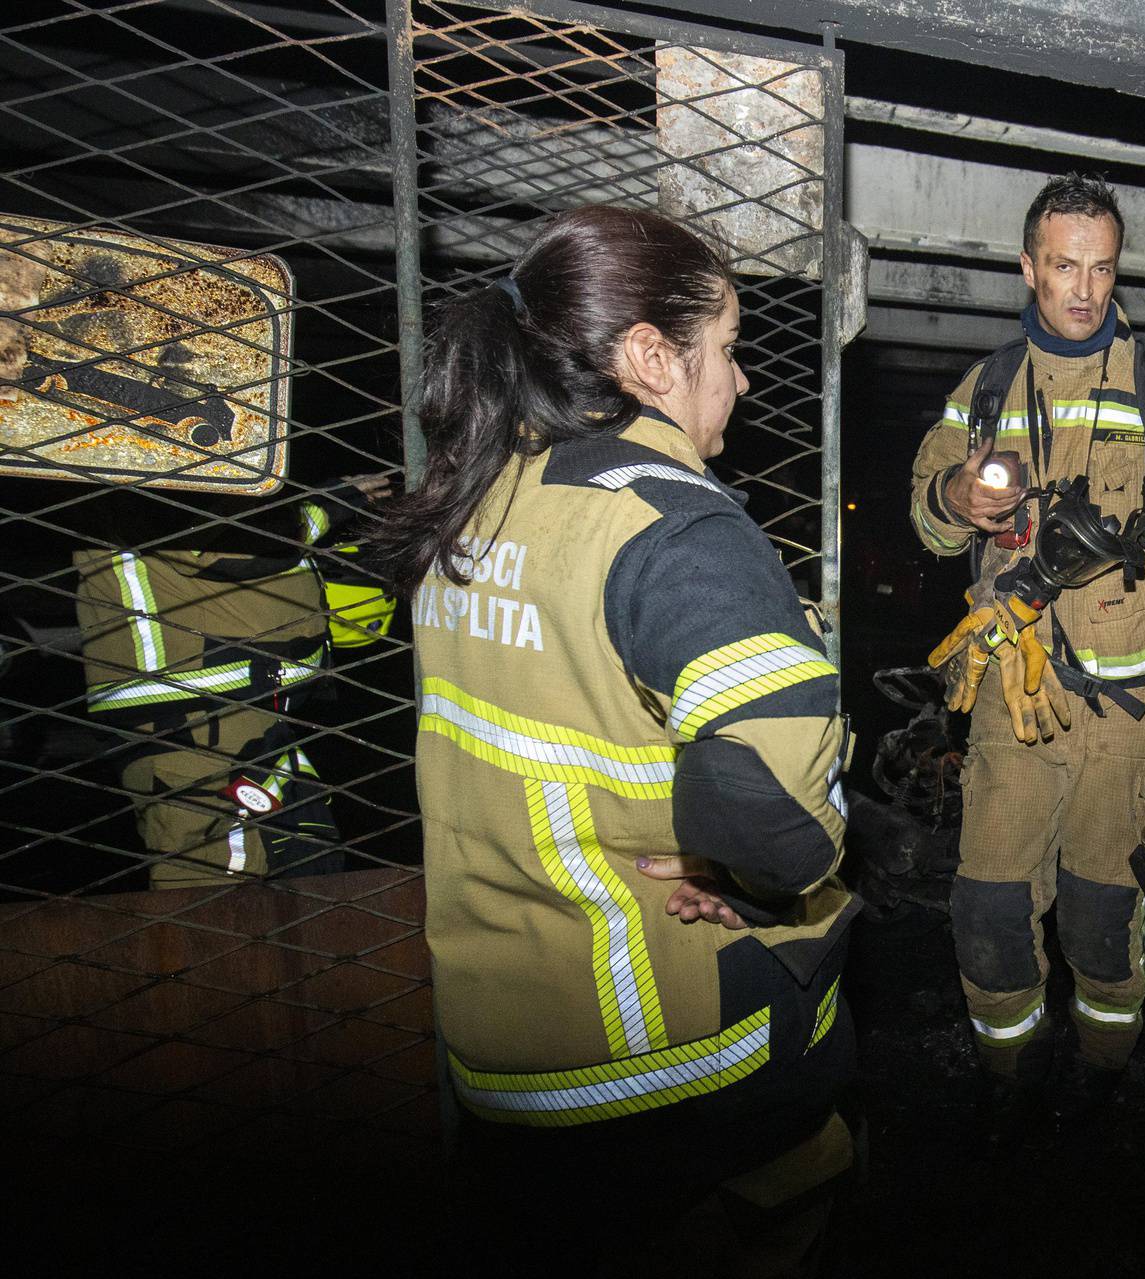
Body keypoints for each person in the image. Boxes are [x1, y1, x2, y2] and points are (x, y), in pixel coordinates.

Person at [367, 205, 856, 1277]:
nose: (739, 383)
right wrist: (754, 878)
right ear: (650, 357)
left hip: (506, 1047)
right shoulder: (673, 527)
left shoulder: (480, 500)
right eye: (725, 350)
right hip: (670, 1050)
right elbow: (777, 817)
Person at [908, 174, 1145, 1119]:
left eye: (1102, 268)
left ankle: (1104, 1084)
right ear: (1028, 266)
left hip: (1126, 727)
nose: (1085, 289)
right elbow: (928, 515)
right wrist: (955, 499)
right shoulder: (981, 390)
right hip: (1011, 711)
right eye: (1064, 267)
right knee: (985, 916)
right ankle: (1011, 1086)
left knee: (1104, 927)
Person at [72, 471, 391, 890]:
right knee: (216, 902)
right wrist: (324, 508)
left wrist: (322, 510)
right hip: (191, 732)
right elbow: (232, 543)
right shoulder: (144, 487)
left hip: (232, 723)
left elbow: (247, 540)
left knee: (302, 876)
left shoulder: (180, 490)